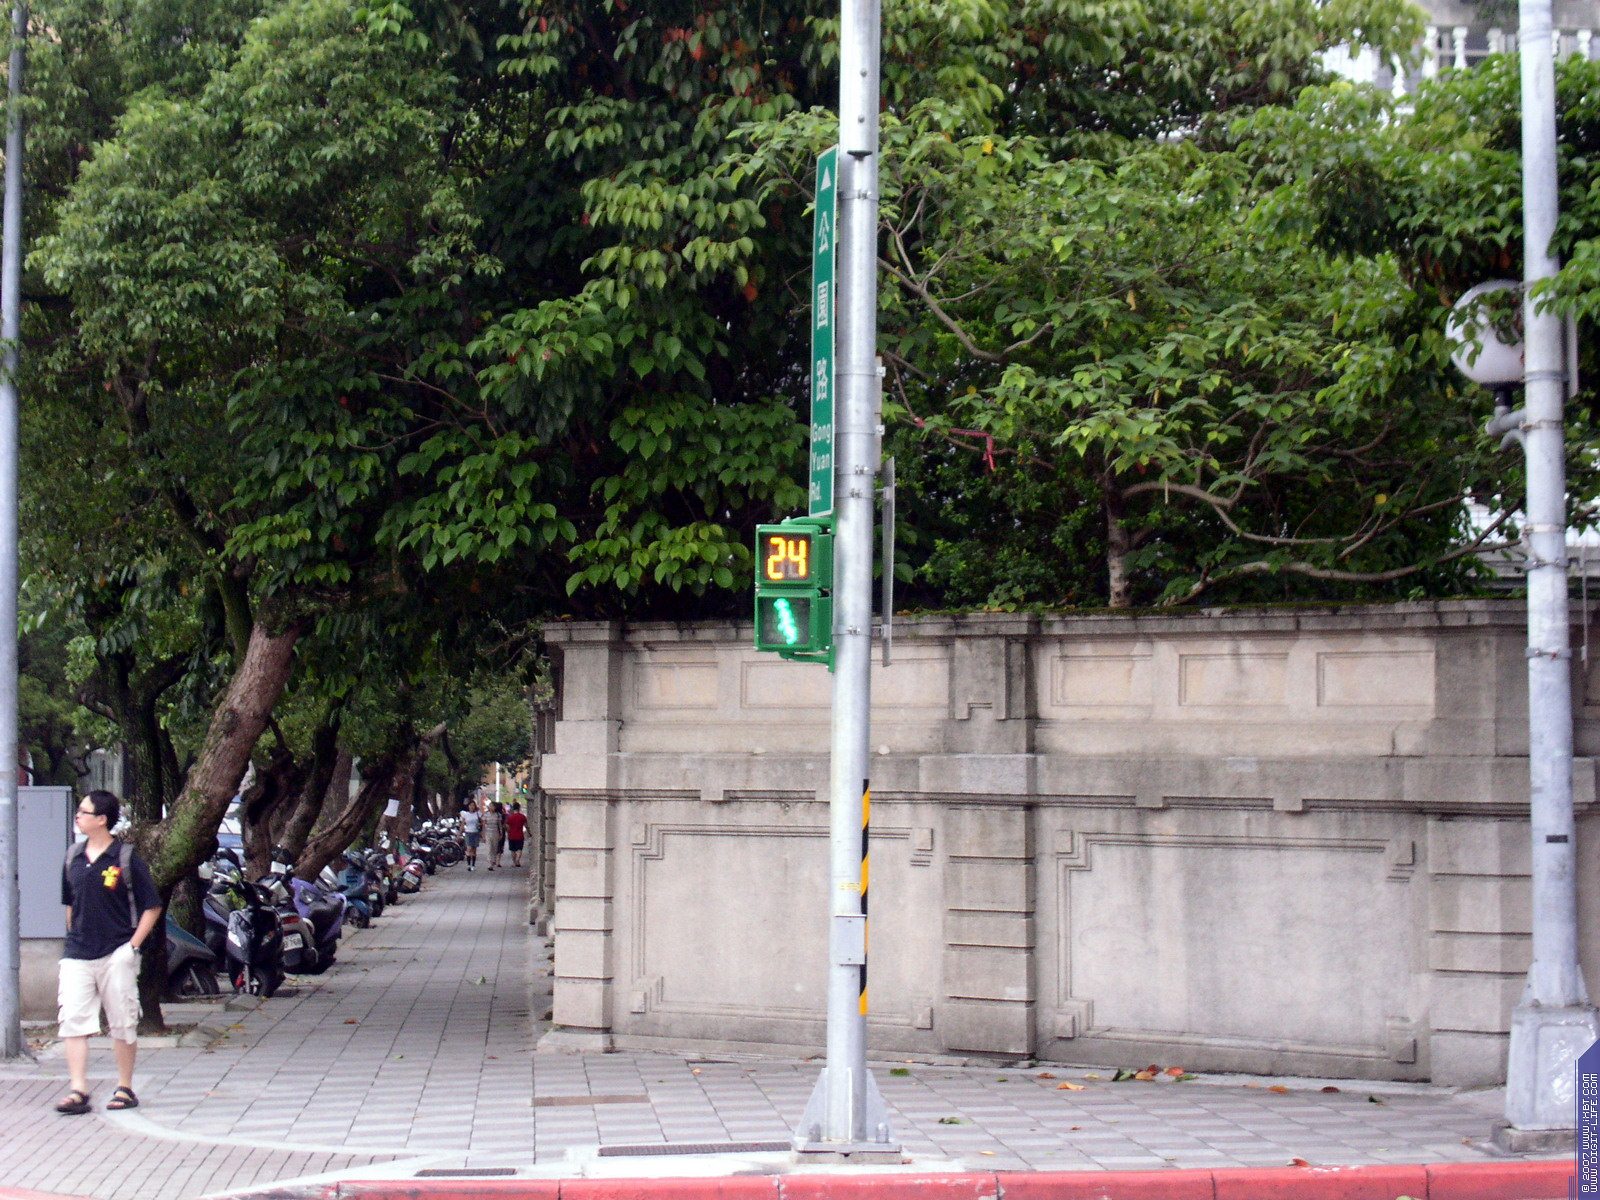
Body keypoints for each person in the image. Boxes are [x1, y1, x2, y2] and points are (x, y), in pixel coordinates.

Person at [55, 790, 162, 1116]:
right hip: (77, 953)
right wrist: (73, 934)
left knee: (122, 1021)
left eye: (84, 812)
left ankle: (125, 1087)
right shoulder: (73, 857)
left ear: (101, 819)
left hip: (117, 952)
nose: (78, 816)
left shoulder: (125, 858)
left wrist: (132, 947)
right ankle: (78, 1089)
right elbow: (70, 903)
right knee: (72, 1021)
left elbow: (152, 906)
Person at [483, 800, 506, 871]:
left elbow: (499, 825)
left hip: (495, 833)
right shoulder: (486, 814)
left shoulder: (498, 815)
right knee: (489, 848)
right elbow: (484, 824)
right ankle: (490, 863)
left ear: (495, 807)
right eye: (490, 806)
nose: (491, 807)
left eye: (492, 806)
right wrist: (483, 834)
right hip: (488, 833)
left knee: (494, 848)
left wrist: (501, 833)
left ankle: (493, 860)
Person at [460, 799, 482, 872]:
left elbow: (482, 822)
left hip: (475, 832)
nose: (472, 807)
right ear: (468, 806)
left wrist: (480, 826)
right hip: (468, 832)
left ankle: (473, 865)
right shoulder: (465, 814)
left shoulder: (477, 814)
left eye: (473, 805)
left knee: (474, 850)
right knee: (469, 848)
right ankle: (468, 865)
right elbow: (462, 824)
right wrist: (460, 832)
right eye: (470, 805)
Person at [505, 801, 527, 868]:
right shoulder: (522, 817)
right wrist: (528, 832)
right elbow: (526, 825)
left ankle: (514, 862)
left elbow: (507, 827)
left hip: (511, 835)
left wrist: (508, 832)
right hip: (520, 835)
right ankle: (518, 860)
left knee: (513, 850)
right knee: (519, 849)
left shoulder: (510, 817)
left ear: (513, 808)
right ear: (519, 808)